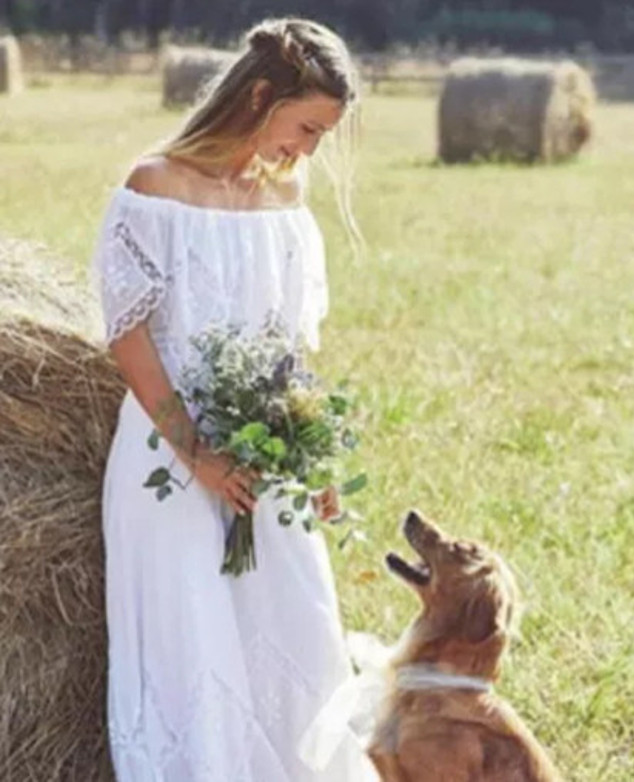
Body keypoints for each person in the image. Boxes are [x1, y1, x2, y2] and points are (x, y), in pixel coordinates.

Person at [92, 17, 377, 781]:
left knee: (297, 627)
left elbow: (287, 345)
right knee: (195, 651)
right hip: (169, 459)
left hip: (265, 456)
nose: (309, 148)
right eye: (307, 126)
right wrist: (197, 454)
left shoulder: (284, 197)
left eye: (323, 135)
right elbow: (129, 336)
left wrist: (311, 452)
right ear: (260, 95)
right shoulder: (152, 187)